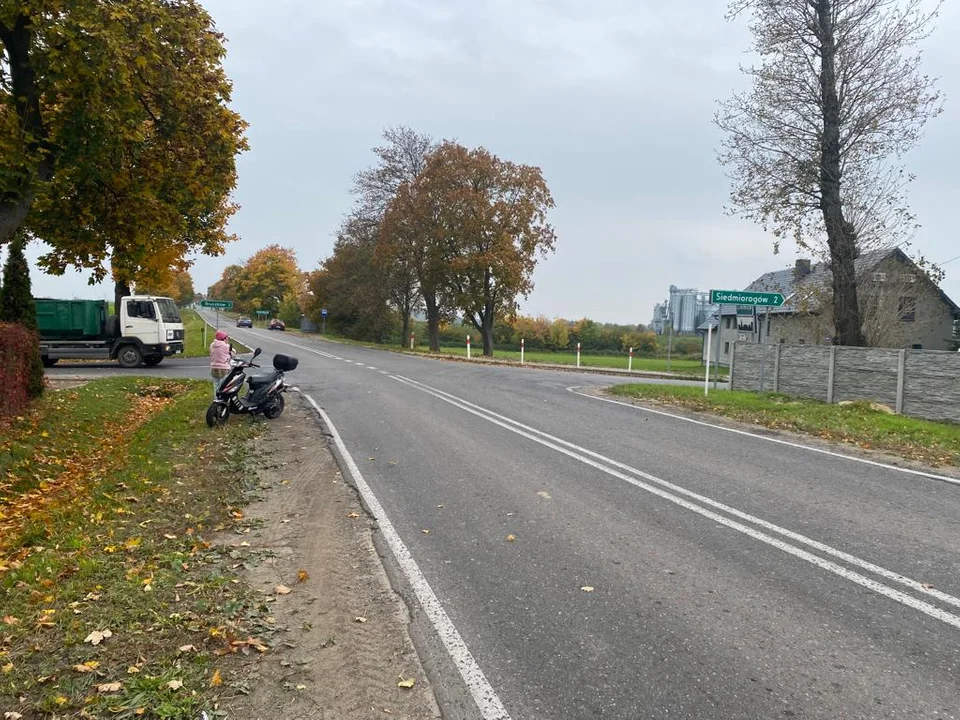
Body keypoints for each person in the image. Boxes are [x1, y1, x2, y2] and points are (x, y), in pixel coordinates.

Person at [209, 330, 234, 396]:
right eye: (226, 337)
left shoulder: (212, 345)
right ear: (223, 338)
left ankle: (216, 399)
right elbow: (233, 353)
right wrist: (227, 343)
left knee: (216, 385)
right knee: (222, 386)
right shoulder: (226, 346)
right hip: (224, 368)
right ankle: (221, 399)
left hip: (214, 368)